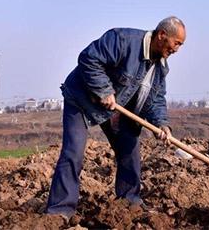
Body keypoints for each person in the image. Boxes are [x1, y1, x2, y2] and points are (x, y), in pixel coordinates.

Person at [46, 16, 186, 218]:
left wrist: (162, 124)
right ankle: (60, 211)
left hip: (116, 108)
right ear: (162, 35)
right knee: (73, 152)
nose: (177, 49)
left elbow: (156, 99)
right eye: (177, 43)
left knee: (130, 149)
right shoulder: (122, 40)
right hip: (81, 99)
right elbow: (89, 58)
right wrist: (103, 89)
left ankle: (130, 201)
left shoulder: (160, 67)